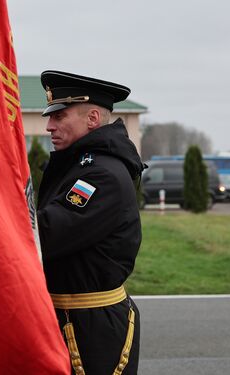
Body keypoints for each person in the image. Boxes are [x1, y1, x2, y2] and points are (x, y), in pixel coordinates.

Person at [36, 70, 145, 375]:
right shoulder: (80, 165)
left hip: (89, 326)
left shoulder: (101, 175)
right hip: (71, 317)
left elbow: (47, 233)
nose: (49, 126)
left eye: (59, 116)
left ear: (93, 118)